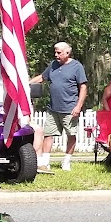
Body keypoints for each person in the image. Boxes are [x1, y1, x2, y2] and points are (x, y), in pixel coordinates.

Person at [30, 42, 88, 171]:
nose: (56, 55)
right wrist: (26, 83)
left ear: (67, 53)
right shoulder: (53, 65)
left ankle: (66, 161)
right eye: (55, 52)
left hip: (70, 108)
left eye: (59, 52)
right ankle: (45, 162)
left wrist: (78, 106)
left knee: (71, 135)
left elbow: (83, 87)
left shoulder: (77, 67)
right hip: (53, 108)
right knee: (48, 134)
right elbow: (42, 77)